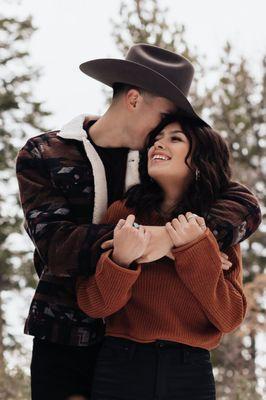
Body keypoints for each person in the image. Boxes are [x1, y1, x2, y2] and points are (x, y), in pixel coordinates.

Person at [16, 44, 261, 400]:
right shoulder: (46, 154)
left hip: (150, 351)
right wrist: (164, 241)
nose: (162, 132)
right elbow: (58, 246)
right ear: (133, 99)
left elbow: (243, 202)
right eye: (163, 116)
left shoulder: (155, 165)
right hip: (66, 333)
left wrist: (185, 241)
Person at [77, 113, 260, 400]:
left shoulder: (217, 228)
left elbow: (229, 317)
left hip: (190, 373)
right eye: (155, 140)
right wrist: (121, 261)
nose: (157, 146)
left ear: (200, 157)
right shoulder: (123, 213)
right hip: (120, 366)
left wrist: (192, 251)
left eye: (175, 139)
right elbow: (94, 305)